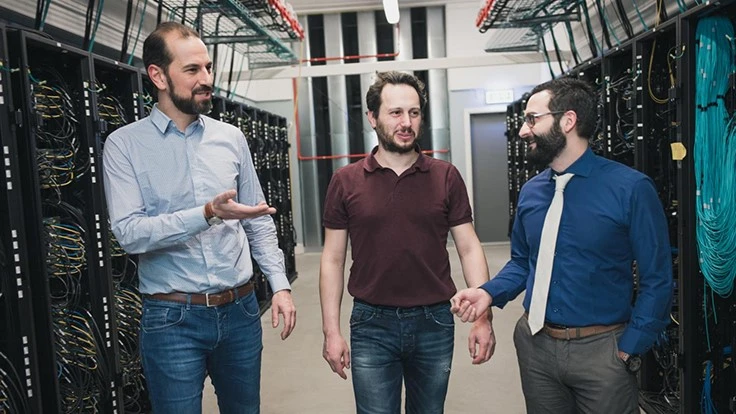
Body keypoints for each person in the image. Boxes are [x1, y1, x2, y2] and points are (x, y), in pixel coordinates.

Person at [102, 22, 296, 414]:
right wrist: (207, 214)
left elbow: (257, 218)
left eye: (207, 68)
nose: (206, 79)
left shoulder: (231, 138)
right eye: (192, 70)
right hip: (172, 319)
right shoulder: (124, 146)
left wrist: (279, 285)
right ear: (157, 75)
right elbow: (130, 234)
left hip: (240, 310)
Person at [451, 77, 673, 413]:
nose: (524, 131)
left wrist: (629, 347)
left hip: (603, 351)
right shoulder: (532, 192)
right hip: (537, 347)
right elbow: (523, 263)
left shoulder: (630, 189)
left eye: (532, 119)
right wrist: (488, 292)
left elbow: (658, 278)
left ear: (567, 121)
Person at [319, 70, 495, 414]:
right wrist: (331, 331)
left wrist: (482, 318)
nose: (406, 122)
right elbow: (332, 259)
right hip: (371, 324)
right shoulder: (346, 181)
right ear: (373, 117)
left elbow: (469, 247)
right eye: (395, 112)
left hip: (435, 322)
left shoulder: (446, 177)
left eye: (414, 113)